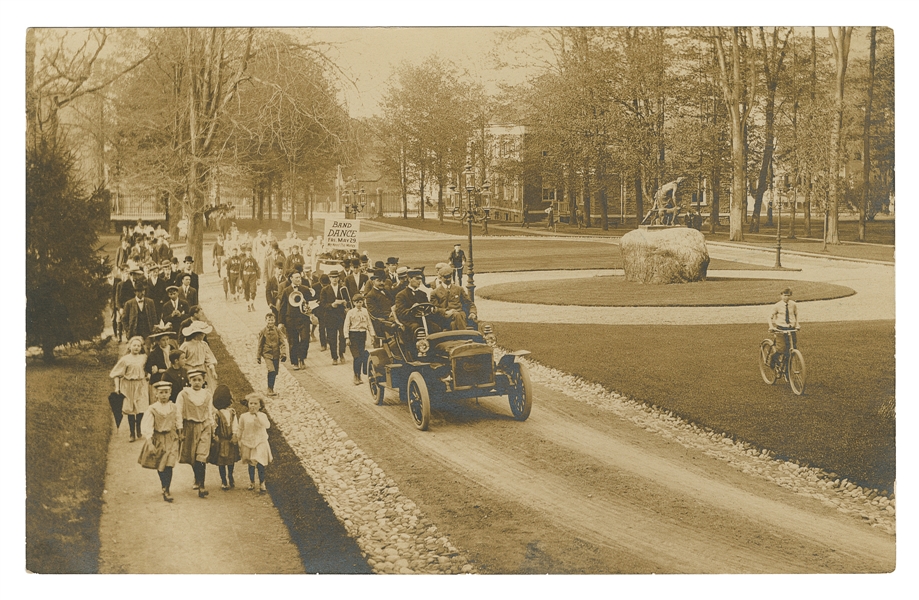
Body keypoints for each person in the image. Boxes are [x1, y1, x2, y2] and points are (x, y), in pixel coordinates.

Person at [140, 380, 181, 502]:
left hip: (172, 438)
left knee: (169, 464)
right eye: (161, 392)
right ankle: (164, 485)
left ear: (170, 393)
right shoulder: (152, 409)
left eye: (166, 392)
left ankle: (166, 488)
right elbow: (147, 426)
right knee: (161, 465)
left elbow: (178, 420)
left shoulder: (174, 407)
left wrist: (180, 432)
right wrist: (149, 441)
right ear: (156, 394)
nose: (164, 395)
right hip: (159, 438)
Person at [176, 369, 214, 498]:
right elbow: (178, 412)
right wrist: (180, 429)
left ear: (203, 381)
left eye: (199, 380)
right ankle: (197, 478)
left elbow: (209, 413)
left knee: (201, 456)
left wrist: (212, 427)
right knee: (192, 456)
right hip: (189, 427)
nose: (197, 383)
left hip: (204, 427)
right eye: (194, 380)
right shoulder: (183, 394)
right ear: (189, 381)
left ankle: (202, 486)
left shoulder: (207, 395)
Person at [110, 336, 150, 442]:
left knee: (141, 408)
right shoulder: (125, 359)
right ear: (130, 346)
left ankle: (139, 428)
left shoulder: (144, 358)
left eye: (138, 346)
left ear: (141, 347)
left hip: (141, 385)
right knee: (131, 409)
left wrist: (148, 374)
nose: (136, 347)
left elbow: (148, 368)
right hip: (128, 386)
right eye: (134, 345)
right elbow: (116, 374)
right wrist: (117, 387)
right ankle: (132, 433)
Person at [277, 271, 316, 370]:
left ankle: (302, 358)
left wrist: (311, 311)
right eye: (297, 278)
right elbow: (282, 307)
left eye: (300, 277)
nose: (299, 279)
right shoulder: (286, 291)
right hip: (290, 319)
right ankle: (295, 362)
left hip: (303, 318)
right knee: (293, 341)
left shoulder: (305, 289)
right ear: (291, 279)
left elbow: (311, 302)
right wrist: (281, 322)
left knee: (305, 339)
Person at [208, 385, 240, 491]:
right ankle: (223, 480)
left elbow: (235, 424)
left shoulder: (232, 412)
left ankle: (230, 475)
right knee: (221, 462)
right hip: (221, 441)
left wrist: (235, 434)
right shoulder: (217, 414)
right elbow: (214, 425)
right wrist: (214, 435)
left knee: (230, 461)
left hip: (230, 440)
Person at [239, 393, 273, 493]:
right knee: (251, 463)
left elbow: (267, 426)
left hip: (260, 441)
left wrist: (257, 415)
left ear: (260, 405)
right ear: (248, 404)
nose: (253, 405)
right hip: (248, 441)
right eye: (251, 403)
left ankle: (262, 482)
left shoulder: (262, 415)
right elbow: (240, 428)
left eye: (255, 403)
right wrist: (238, 438)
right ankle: (252, 481)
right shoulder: (244, 416)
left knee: (260, 462)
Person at [430, 265, 478, 331]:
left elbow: (470, 303)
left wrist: (473, 313)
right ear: (441, 278)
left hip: (460, 315)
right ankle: (465, 336)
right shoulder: (435, 292)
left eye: (450, 277)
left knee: (456, 317)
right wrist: (446, 312)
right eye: (446, 277)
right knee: (453, 323)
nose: (449, 279)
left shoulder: (459, 289)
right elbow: (434, 308)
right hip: (445, 317)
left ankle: (462, 336)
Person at [394, 269, 431, 350]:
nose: (419, 281)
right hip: (408, 321)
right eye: (417, 279)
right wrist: (412, 309)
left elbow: (428, 307)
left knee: (435, 327)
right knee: (416, 328)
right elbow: (401, 313)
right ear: (409, 279)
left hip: (422, 318)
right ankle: (414, 350)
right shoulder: (401, 295)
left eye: (420, 279)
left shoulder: (422, 294)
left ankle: (432, 349)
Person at [319, 270, 349, 365]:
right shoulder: (325, 290)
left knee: (342, 336)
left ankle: (341, 353)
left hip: (341, 316)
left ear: (339, 278)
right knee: (332, 338)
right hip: (330, 316)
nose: (334, 279)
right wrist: (332, 305)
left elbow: (349, 300)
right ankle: (334, 357)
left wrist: (345, 304)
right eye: (332, 277)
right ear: (329, 278)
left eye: (336, 277)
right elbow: (322, 304)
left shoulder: (343, 288)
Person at [343, 294, 374, 385]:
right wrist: (347, 338)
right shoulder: (351, 312)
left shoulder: (365, 311)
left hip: (362, 335)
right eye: (356, 302)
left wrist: (372, 335)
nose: (359, 304)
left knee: (361, 355)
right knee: (356, 357)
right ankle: (356, 375)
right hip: (353, 335)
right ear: (353, 303)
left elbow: (369, 324)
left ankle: (359, 375)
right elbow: (346, 325)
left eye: (360, 302)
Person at [257, 312, 288, 396]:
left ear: (274, 320)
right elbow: (260, 344)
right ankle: (269, 389)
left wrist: (283, 353)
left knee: (275, 372)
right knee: (271, 369)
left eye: (272, 320)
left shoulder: (277, 330)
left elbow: (282, 342)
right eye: (268, 320)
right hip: (267, 354)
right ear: (265, 320)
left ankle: (271, 388)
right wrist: (258, 356)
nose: (270, 322)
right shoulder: (263, 331)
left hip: (276, 354)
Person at [180, 321, 218, 388]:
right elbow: (180, 357)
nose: (204, 336)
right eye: (202, 334)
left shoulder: (203, 345)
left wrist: (213, 370)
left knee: (204, 387)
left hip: (202, 368)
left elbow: (208, 358)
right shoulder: (186, 345)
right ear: (196, 335)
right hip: (189, 369)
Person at [768, 288, 799, 369]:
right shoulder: (777, 306)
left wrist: (797, 324)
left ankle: (787, 370)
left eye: (788, 296)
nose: (786, 297)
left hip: (791, 328)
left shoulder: (793, 304)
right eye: (785, 295)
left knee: (792, 348)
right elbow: (769, 317)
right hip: (781, 329)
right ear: (781, 295)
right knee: (781, 348)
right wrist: (771, 327)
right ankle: (773, 358)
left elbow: (796, 314)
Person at [240, 244, 261, 312]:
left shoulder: (254, 260)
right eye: (247, 252)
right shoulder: (243, 260)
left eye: (250, 252)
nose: (249, 253)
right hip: (245, 277)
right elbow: (240, 270)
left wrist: (258, 279)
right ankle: (248, 305)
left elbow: (257, 269)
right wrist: (240, 280)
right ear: (245, 253)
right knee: (246, 291)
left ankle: (252, 303)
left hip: (252, 277)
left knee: (253, 291)